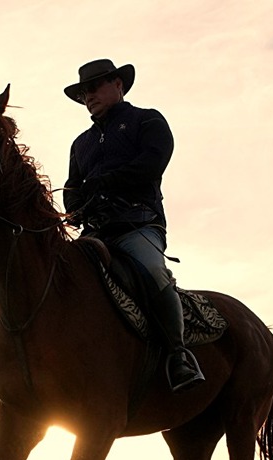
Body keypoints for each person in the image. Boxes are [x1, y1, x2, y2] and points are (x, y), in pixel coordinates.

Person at [63, 59, 205, 393]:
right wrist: (73, 209)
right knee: (56, 277)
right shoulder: (80, 143)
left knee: (155, 272)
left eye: (94, 87)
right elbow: (72, 186)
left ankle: (178, 355)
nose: (88, 96)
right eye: (83, 92)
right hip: (96, 231)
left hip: (138, 224)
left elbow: (152, 163)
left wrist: (106, 182)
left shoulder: (147, 120)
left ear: (118, 85)